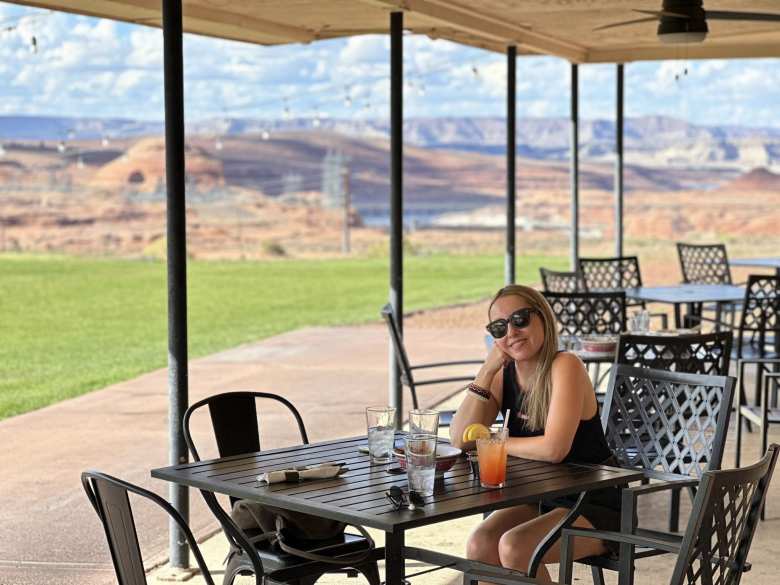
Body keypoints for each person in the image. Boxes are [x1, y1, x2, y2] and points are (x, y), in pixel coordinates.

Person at [450, 284, 619, 583]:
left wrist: (494, 442)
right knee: (480, 544)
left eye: (520, 320)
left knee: (516, 547)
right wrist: (486, 372)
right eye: (499, 327)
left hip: (592, 500)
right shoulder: (503, 375)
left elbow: (554, 449)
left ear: (542, 318)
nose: (511, 332)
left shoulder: (565, 365)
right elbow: (460, 438)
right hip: (539, 495)